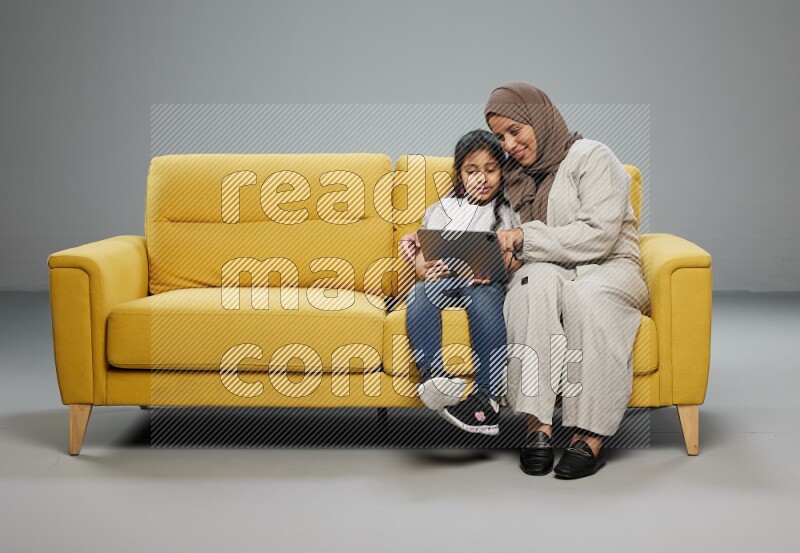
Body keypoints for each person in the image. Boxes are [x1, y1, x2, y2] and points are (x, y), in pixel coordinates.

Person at [484, 82, 650, 478]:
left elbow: (598, 234)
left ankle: (589, 434)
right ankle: (536, 426)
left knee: (587, 299)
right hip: (552, 265)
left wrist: (525, 239)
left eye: (515, 131)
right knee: (529, 286)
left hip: (609, 265)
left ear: (537, 118)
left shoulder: (592, 156)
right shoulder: (514, 178)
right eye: (499, 137)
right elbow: (493, 228)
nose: (508, 144)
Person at [404, 129, 514, 436]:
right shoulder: (441, 210)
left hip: (485, 283)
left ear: (501, 172)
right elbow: (422, 262)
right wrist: (426, 269)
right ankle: (433, 376)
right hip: (448, 281)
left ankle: (488, 398)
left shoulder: (507, 212)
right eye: (472, 171)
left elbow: (516, 256)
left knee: (482, 296)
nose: (482, 179)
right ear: (460, 174)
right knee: (420, 292)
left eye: (491, 170)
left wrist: (493, 267)